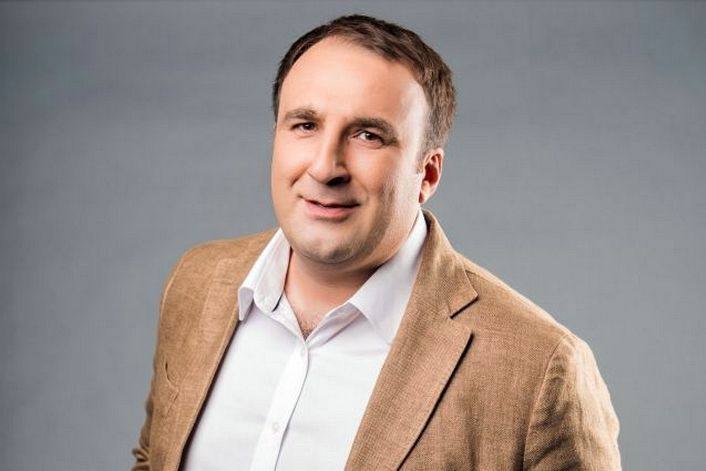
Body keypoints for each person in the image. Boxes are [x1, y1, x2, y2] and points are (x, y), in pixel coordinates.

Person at [131, 14, 621, 471]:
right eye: (305, 125)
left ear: (427, 174)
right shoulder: (197, 282)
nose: (325, 167)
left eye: (368, 135)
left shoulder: (539, 369)